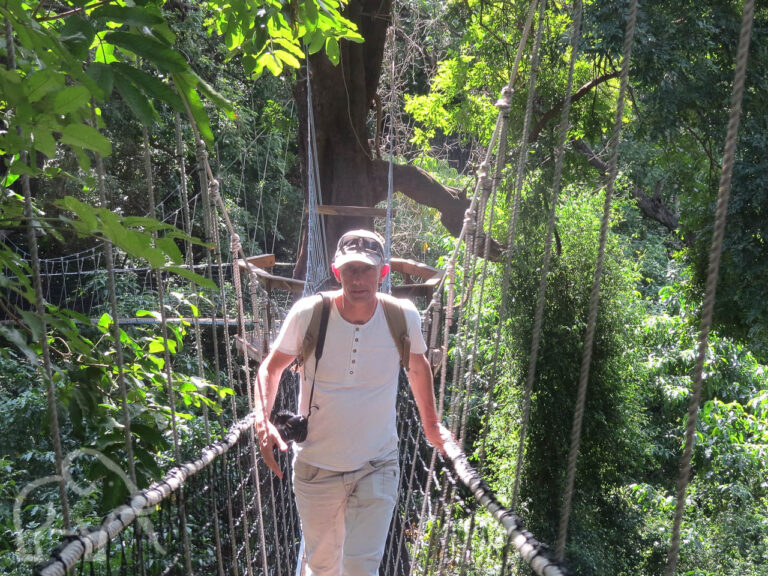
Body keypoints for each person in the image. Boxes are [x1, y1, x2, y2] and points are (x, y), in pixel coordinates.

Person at [254, 228, 452, 576]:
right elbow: (271, 368)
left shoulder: (402, 316)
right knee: (322, 566)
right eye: (350, 269)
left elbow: (419, 369)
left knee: (362, 567)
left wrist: (432, 427)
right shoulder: (309, 313)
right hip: (317, 466)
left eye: (367, 269)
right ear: (336, 271)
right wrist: (262, 419)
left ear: (383, 273)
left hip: (377, 464)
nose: (358, 278)